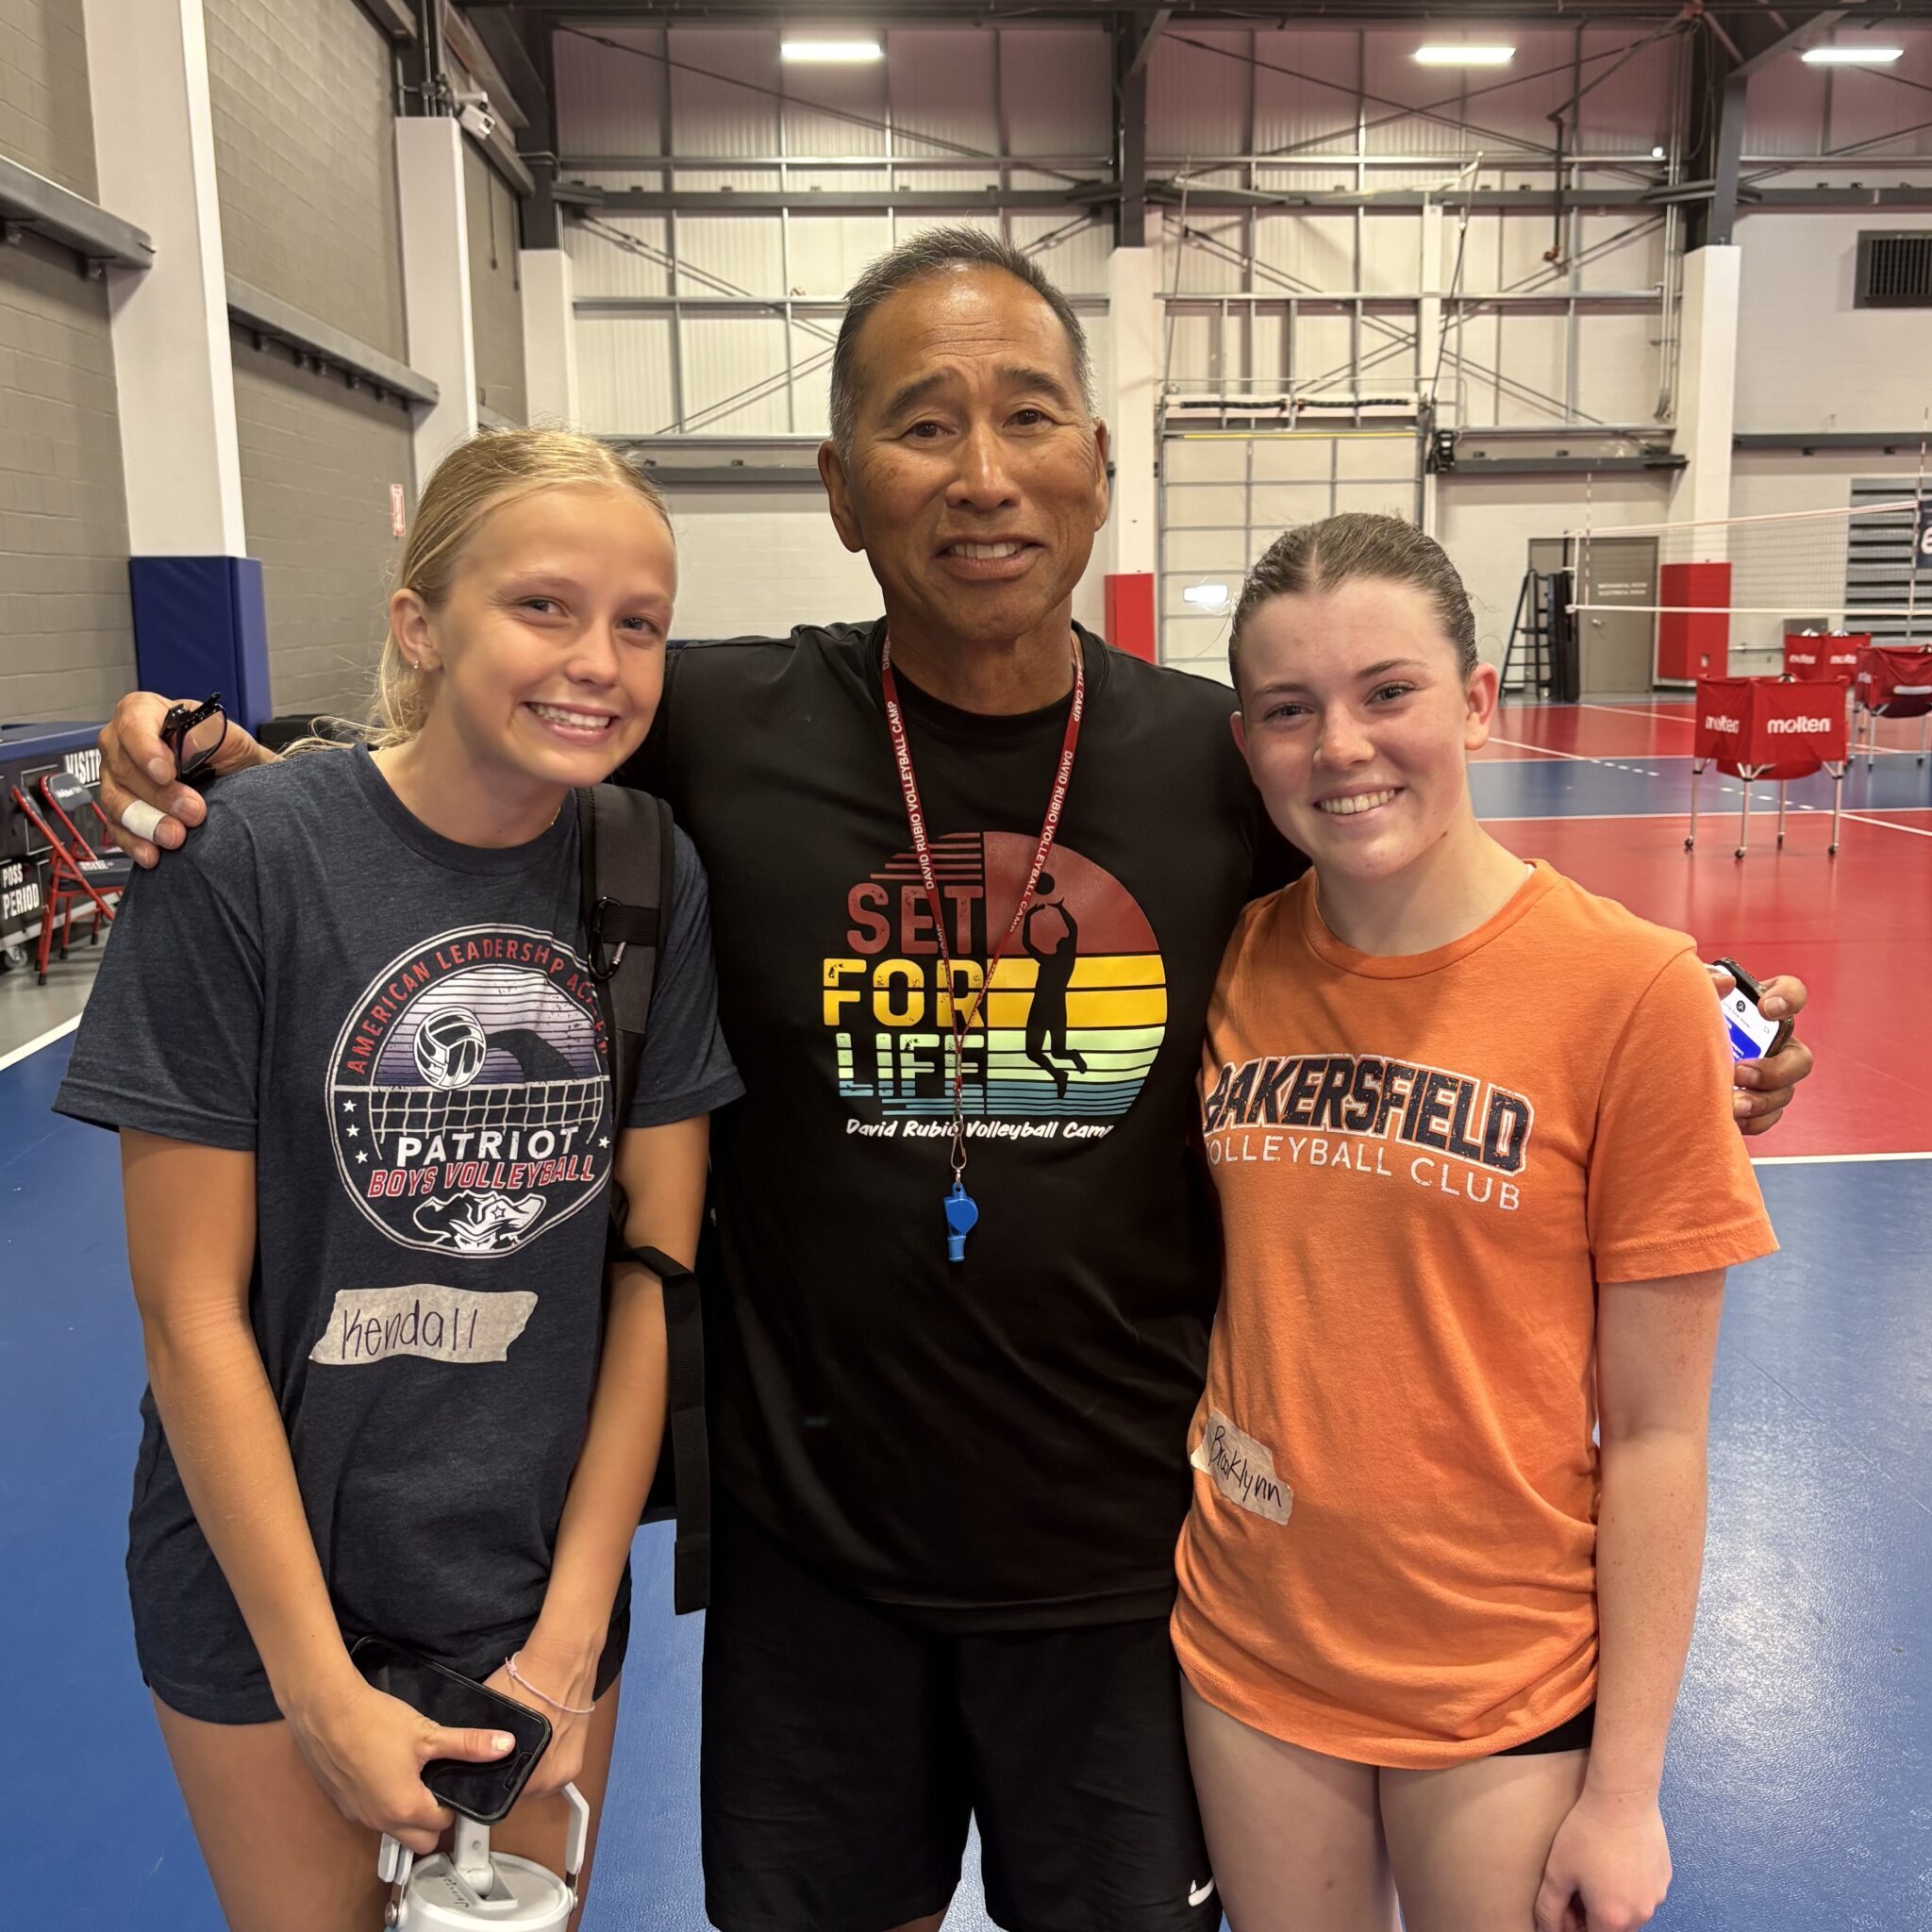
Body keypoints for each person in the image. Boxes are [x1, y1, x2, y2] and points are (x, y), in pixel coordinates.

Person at [95, 232, 1814, 1932]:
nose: (982, 474)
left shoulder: (1223, 763)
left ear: (1101, 467)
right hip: (814, 1564)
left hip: (1133, 1573)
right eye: (922, 425)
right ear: (842, 489)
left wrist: (1675, 1042)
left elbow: (1433, 922)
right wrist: (246, 773)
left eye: (1030, 417)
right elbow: (492, 748)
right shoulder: (714, 726)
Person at [57, 429, 741, 1932]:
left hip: (522, 1591)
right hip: (265, 1597)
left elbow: (658, 1270)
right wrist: (314, 1689)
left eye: (641, 623)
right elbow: (189, 1313)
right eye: (545, 606)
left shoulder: (643, 873)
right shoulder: (241, 861)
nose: (600, 660)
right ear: (420, 627)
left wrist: (566, 1643)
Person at [1174, 514, 1779, 1932]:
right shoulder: (1238, 957)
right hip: (1255, 1644)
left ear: (1479, 703)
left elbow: (1657, 1435)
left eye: (1389, 692)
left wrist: (1627, 1789)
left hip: (1499, 1667)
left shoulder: (1634, 993)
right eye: (1288, 710)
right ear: (1248, 741)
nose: (1341, 746)